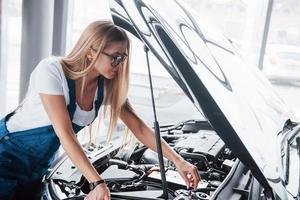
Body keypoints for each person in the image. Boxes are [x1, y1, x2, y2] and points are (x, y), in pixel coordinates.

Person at [0, 20, 200, 200]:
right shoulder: (51, 70)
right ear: (90, 51)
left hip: (38, 166)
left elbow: (138, 127)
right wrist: (97, 182)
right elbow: (65, 132)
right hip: (6, 156)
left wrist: (178, 161)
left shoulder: (106, 87)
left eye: (123, 58)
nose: (119, 65)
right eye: (115, 57)